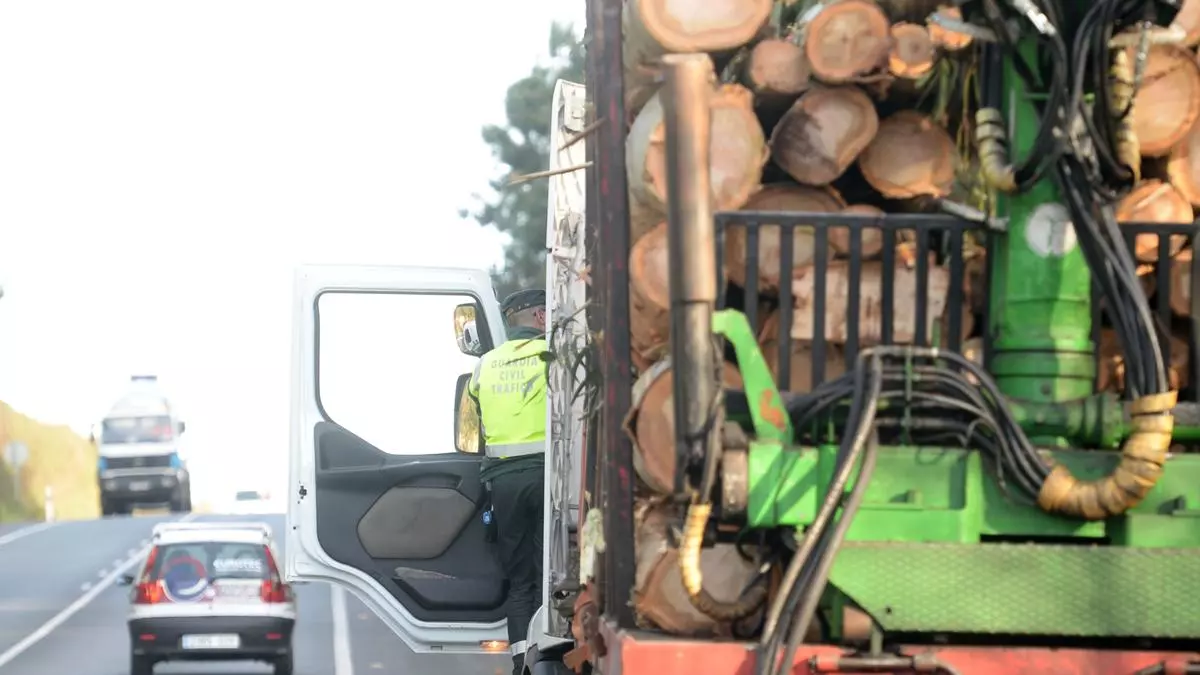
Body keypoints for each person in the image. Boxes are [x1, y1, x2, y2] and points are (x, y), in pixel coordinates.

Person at [466, 288, 548, 675]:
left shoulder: (485, 365)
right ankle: (548, 654)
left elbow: (476, 410)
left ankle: (520, 663)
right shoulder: (551, 355)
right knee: (548, 573)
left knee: (520, 581)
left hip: (504, 483)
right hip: (546, 477)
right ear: (541, 318)